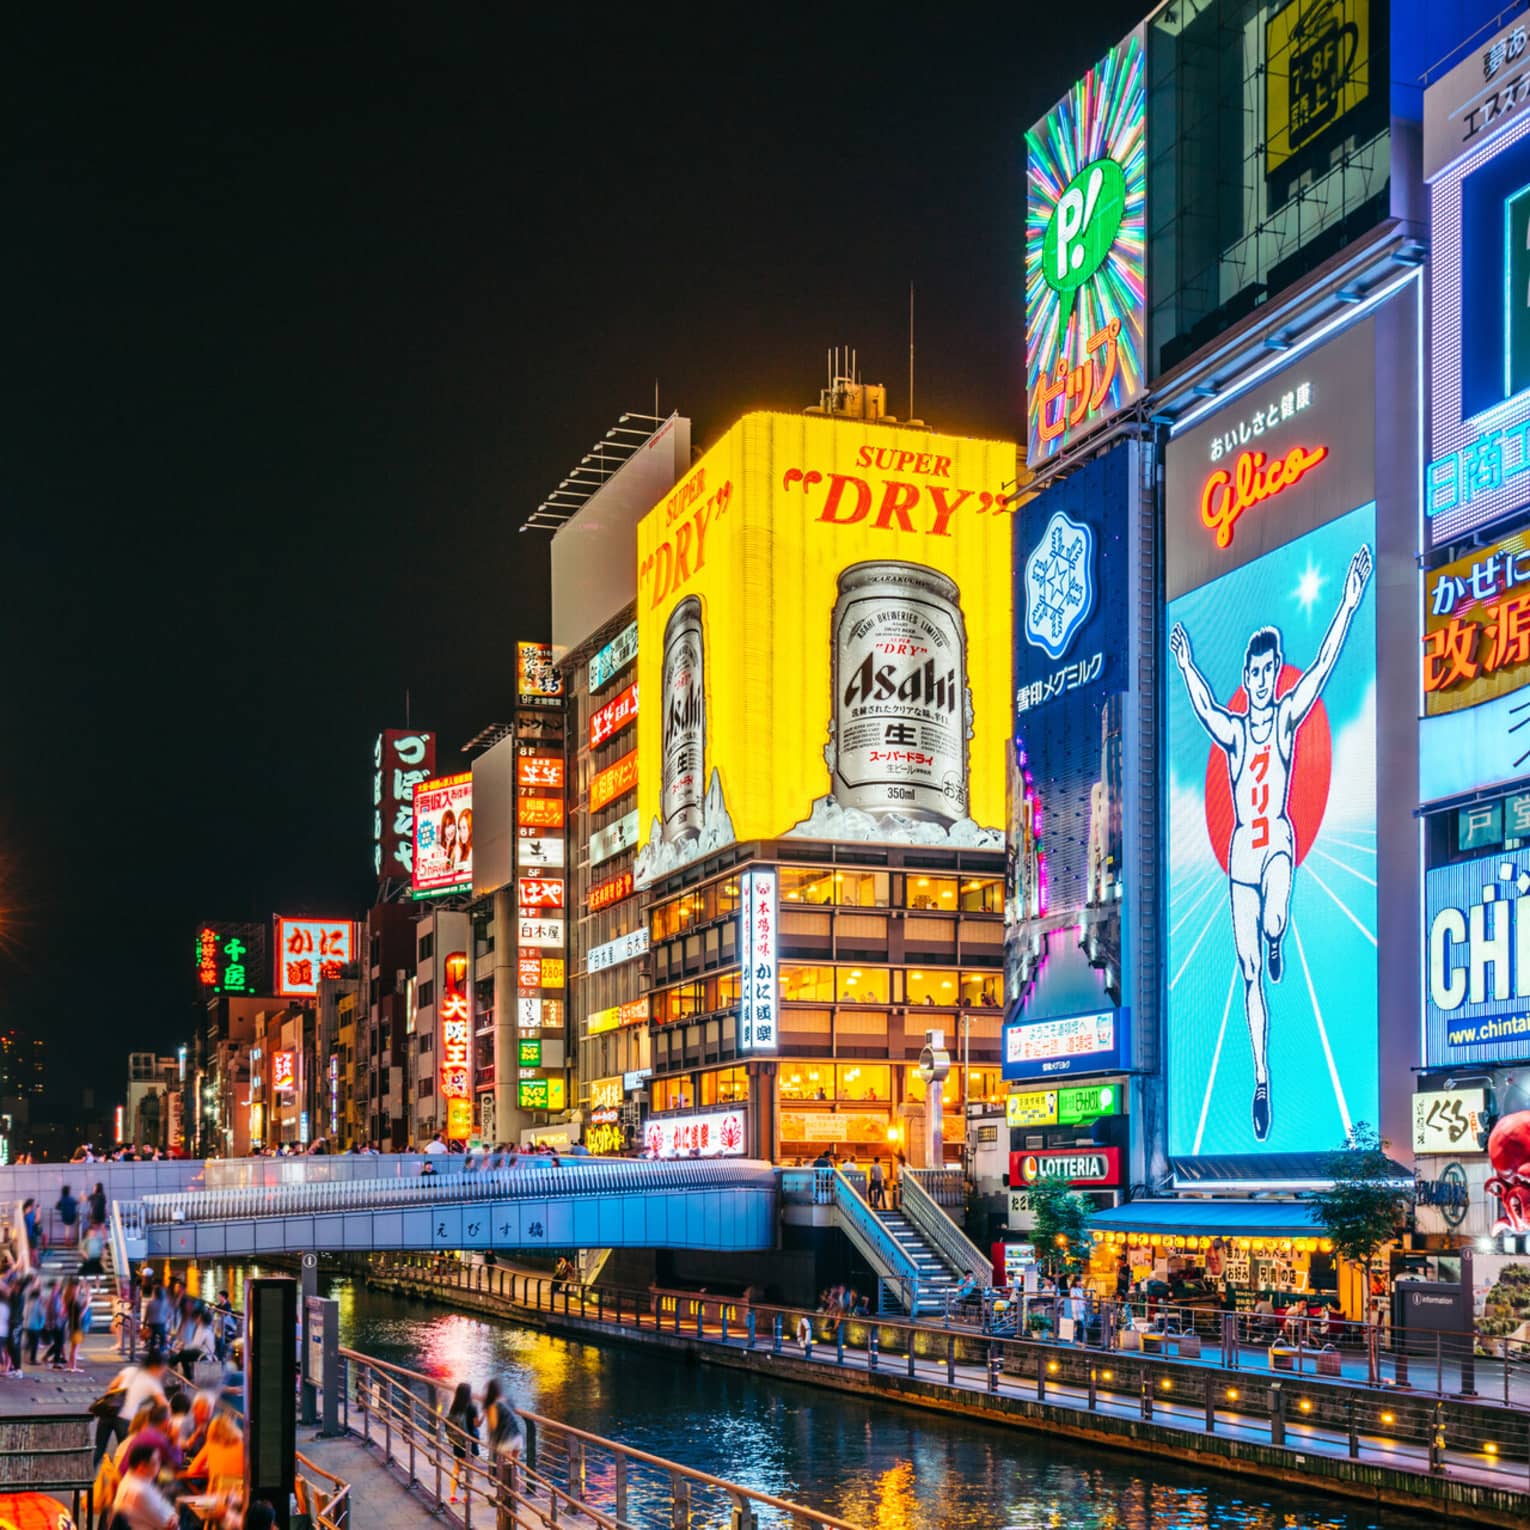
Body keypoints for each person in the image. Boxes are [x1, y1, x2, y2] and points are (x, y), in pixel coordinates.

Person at [1169, 542, 1371, 1142]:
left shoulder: (1284, 719)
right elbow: (1204, 707)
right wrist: (1184, 663)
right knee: (1250, 972)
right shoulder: (1234, 732)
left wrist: (1348, 602)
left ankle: (1278, 934)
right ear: (1245, 676)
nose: (1260, 682)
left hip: (1277, 840)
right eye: (1252, 674)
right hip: (1240, 857)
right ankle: (1261, 1079)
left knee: (1276, 918)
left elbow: (1324, 668)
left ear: (1274, 669)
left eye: (1267, 671)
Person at [110, 1442, 178, 1530]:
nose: (159, 1465)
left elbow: (167, 1510)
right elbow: (168, 1524)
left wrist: (174, 1516)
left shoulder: (133, 1479)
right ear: (141, 1466)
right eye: (155, 1461)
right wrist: (174, 1517)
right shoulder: (140, 1491)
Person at [185, 1412, 244, 1490]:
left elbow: (191, 1470)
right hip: (238, 1495)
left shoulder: (210, 1445)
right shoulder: (242, 1446)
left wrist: (209, 1470)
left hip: (215, 1497)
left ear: (212, 1430)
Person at [444, 1380, 479, 1503]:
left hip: (458, 1442)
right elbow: (476, 1424)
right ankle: (467, 1496)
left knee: (456, 1468)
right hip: (470, 1442)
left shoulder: (454, 1407)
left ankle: (452, 1495)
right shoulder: (472, 1408)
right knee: (470, 1470)